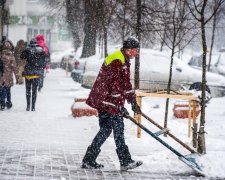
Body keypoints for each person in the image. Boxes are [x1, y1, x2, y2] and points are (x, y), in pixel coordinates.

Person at [81, 36, 143, 171]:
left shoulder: (123, 59)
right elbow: (114, 84)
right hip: (107, 100)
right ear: (129, 50)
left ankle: (89, 159)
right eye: (135, 50)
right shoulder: (117, 60)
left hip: (106, 100)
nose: (137, 53)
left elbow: (125, 83)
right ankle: (125, 161)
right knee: (118, 130)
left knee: (106, 129)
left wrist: (132, 102)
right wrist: (118, 105)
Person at [21, 39, 46, 111]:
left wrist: (25, 49)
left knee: (28, 90)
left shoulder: (27, 49)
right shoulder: (40, 50)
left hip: (28, 73)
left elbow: (21, 57)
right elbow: (44, 61)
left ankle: (28, 106)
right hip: (36, 73)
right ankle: (33, 107)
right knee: (34, 91)